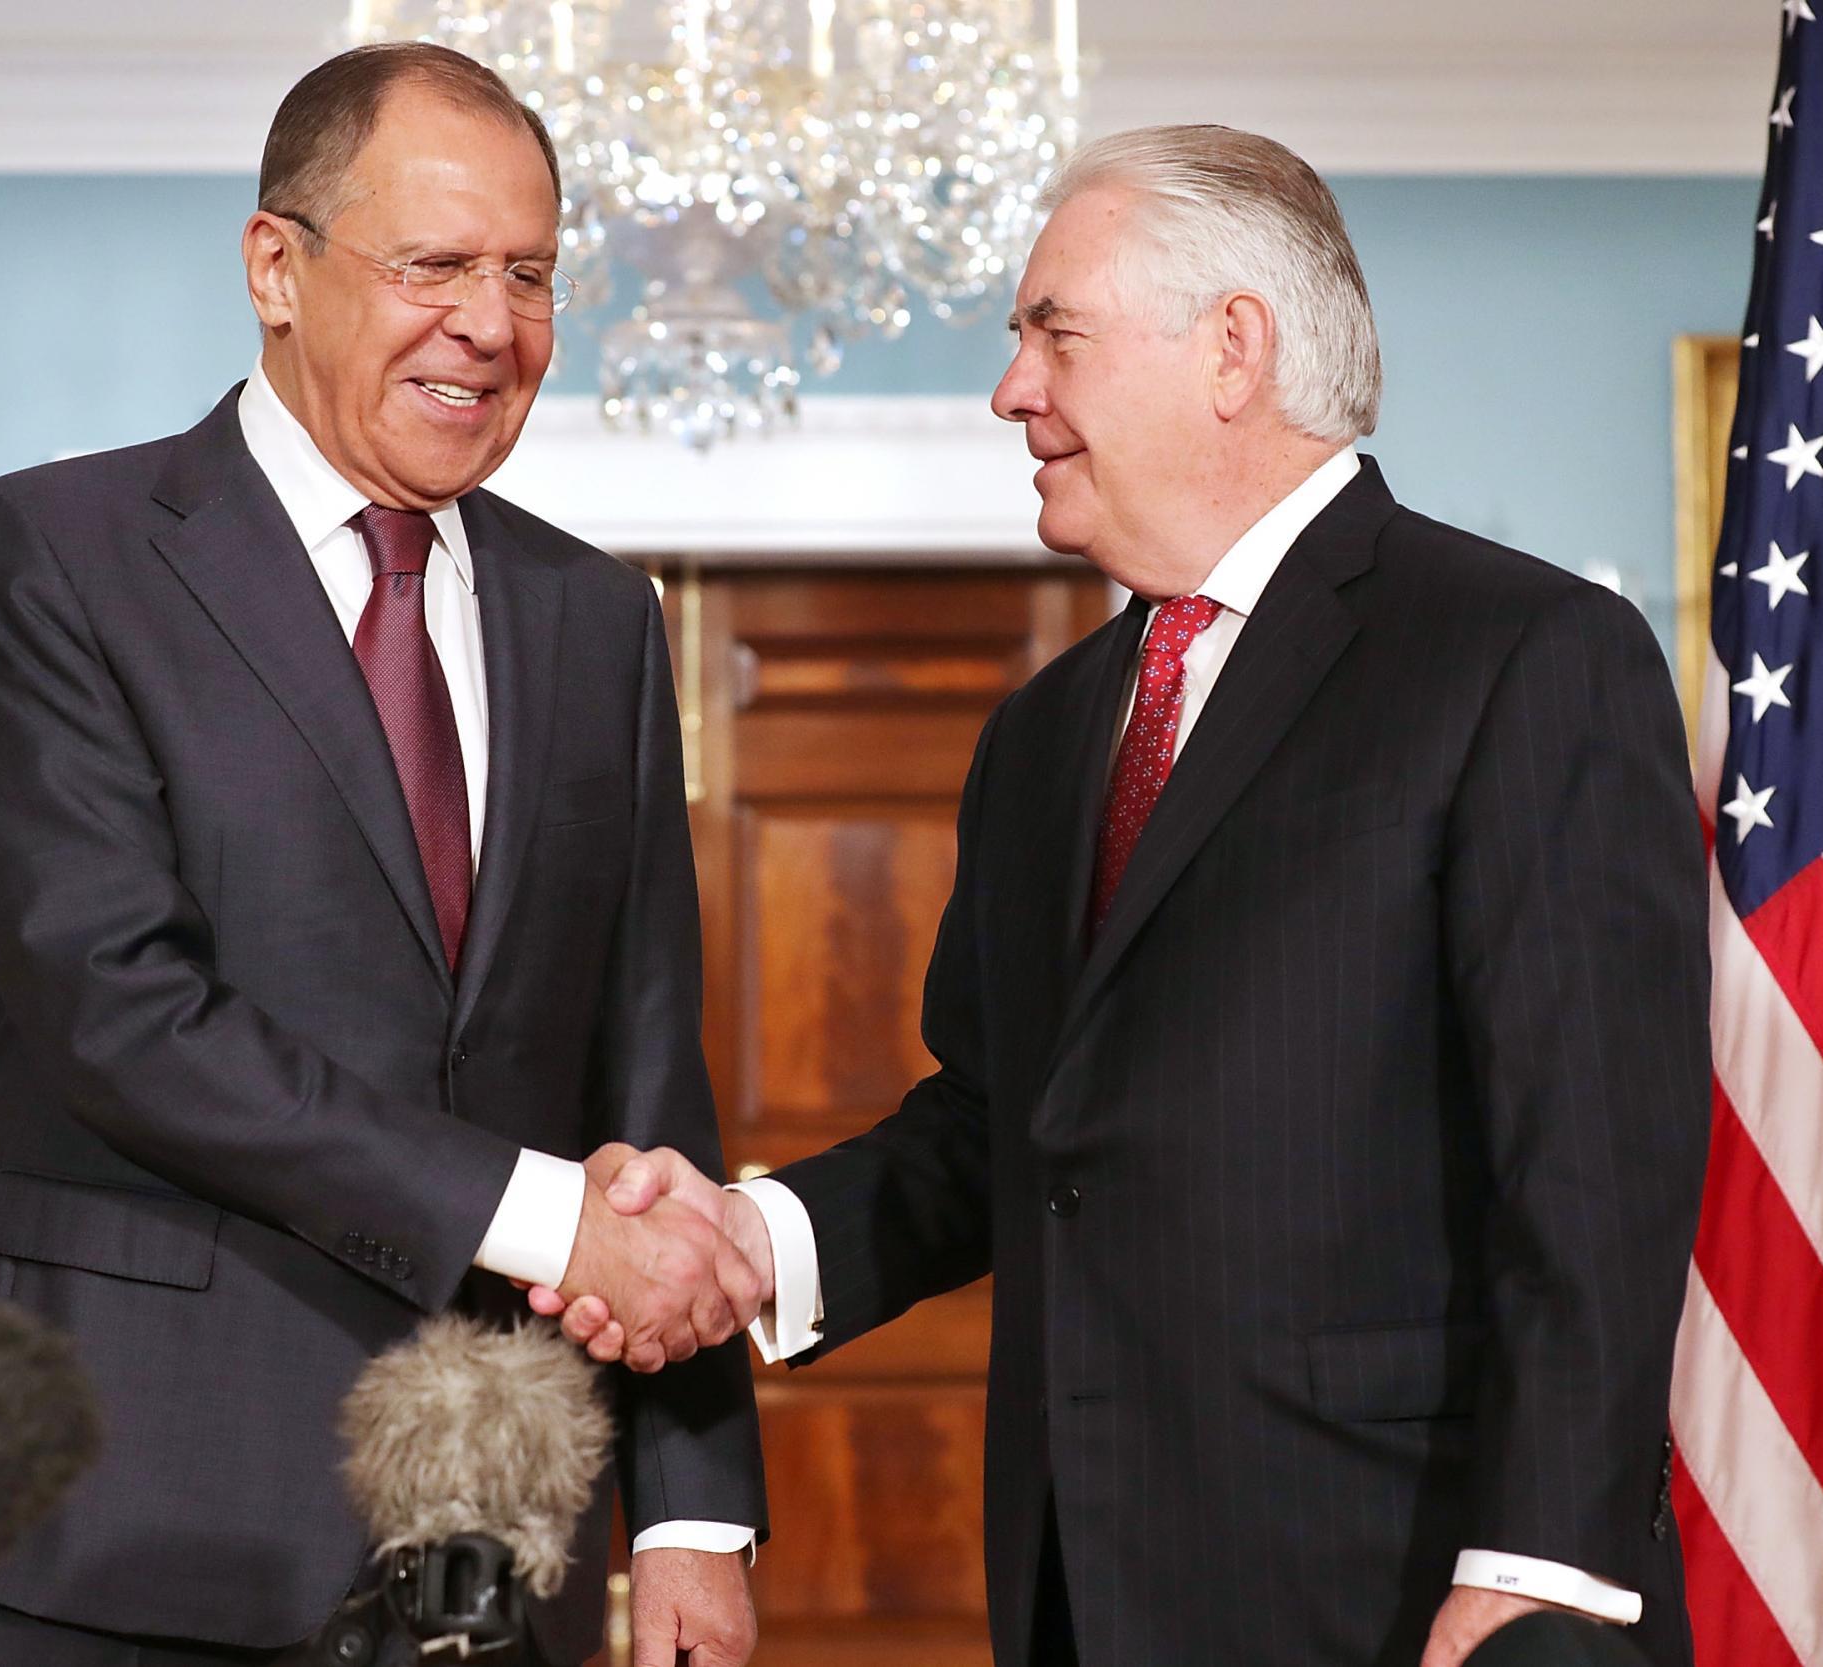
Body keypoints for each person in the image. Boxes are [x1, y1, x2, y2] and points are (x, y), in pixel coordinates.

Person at [540, 125, 1710, 1667]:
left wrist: (1542, 1568)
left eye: (1053, 333)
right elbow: (1000, 1126)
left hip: (1409, 1588)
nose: (1013, 389)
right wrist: (757, 1245)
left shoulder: (1522, 656)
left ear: (1234, 348)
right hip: (1082, 1589)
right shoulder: (1046, 731)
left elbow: (1596, 1163)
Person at [0, 44, 765, 1667]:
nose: (490, 323)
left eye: (527, 274)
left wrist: (691, 1512)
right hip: (118, 1530)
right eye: (434, 265)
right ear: (276, 268)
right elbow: (117, 1013)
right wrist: (549, 1222)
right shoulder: (51, 557)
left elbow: (650, 1076)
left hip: (489, 1550)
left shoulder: (596, 619)